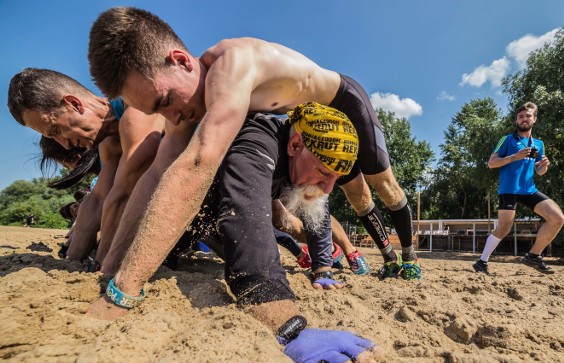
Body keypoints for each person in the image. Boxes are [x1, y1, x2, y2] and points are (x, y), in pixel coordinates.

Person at [87, 6, 419, 281]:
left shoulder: (230, 68)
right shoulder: (189, 108)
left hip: (344, 102)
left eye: (165, 101)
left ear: (182, 61)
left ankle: (406, 256)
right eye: (156, 111)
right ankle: (381, 257)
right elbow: (156, 174)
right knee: (339, 193)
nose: (171, 118)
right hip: (306, 128)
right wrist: (112, 261)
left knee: (379, 189)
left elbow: (197, 165)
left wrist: (127, 285)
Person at [88, 102, 378, 363]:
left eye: (335, 179)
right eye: (324, 173)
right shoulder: (256, 142)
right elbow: (246, 216)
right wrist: (290, 327)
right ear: (295, 144)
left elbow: (320, 214)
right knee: (172, 254)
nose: (327, 187)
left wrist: (322, 269)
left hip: (215, 222)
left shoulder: (311, 164)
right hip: (177, 222)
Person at [7, 68, 164, 265]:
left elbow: (125, 193)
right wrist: (72, 260)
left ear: (74, 104)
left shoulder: (135, 111)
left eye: (57, 130)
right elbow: (99, 199)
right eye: (53, 137)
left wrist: (103, 266)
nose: (65, 145)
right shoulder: (109, 142)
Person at [472, 102, 564, 274]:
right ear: (516, 120)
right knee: (504, 227)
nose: (524, 119)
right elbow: (491, 163)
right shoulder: (507, 140)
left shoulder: (539, 143)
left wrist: (544, 165)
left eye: (528, 116)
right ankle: (481, 262)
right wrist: (514, 156)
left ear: (534, 119)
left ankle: (533, 256)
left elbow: (540, 171)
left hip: (529, 189)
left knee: (557, 218)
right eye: (521, 116)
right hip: (509, 189)